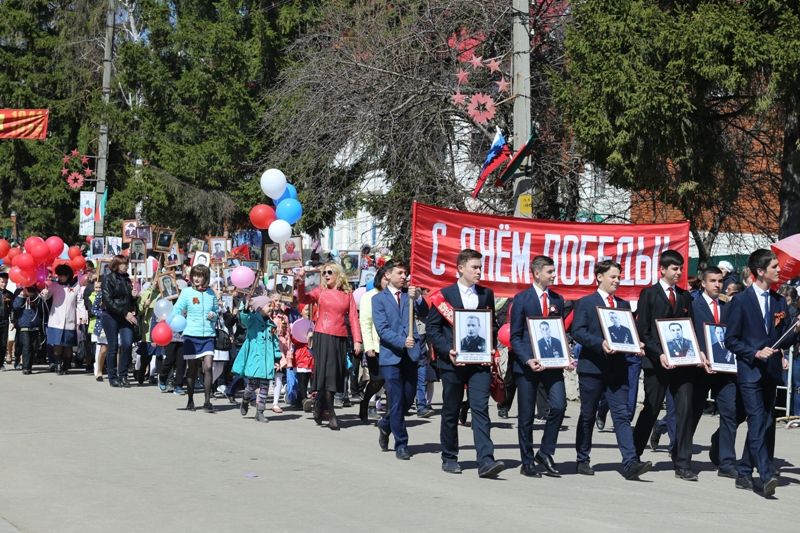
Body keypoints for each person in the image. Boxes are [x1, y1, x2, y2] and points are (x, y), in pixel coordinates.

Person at [426, 249, 505, 478]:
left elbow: (491, 325)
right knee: (450, 410)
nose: (479, 271)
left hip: (479, 363)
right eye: (475, 267)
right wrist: (446, 350)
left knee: (480, 409)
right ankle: (449, 457)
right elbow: (433, 329)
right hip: (452, 363)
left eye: (480, 267)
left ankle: (486, 460)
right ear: (460, 268)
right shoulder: (444, 295)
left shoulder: (486, 294)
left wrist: (490, 343)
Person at [570, 259, 651, 480]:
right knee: (588, 415)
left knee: (622, 416)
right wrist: (599, 343)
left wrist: (637, 345)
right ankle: (582, 458)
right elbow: (577, 331)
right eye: (613, 277)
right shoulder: (586, 303)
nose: (617, 281)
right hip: (592, 369)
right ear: (599, 277)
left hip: (618, 370)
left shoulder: (623, 306)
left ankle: (630, 462)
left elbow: (628, 333)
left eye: (618, 277)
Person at [725, 249, 796, 497]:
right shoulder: (741, 301)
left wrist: (796, 330)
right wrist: (754, 352)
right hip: (750, 371)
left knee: (764, 422)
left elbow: (784, 338)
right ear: (761, 271)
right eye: (774, 266)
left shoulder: (778, 301)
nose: (779, 270)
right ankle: (765, 474)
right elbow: (730, 340)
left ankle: (744, 471)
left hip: (771, 372)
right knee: (756, 419)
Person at [633, 250, 704, 482]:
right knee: (651, 408)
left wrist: (698, 350)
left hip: (683, 364)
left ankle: (682, 462)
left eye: (680, 268)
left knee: (684, 411)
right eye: (674, 269)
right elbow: (643, 329)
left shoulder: (685, 297)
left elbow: (690, 328)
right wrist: (659, 353)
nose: (678, 273)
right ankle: (633, 455)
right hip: (657, 363)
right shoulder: (649, 294)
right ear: (662, 269)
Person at [509, 255, 569, 478]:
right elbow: (515, 336)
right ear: (536, 273)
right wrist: (527, 358)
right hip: (527, 366)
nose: (554, 276)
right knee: (526, 416)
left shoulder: (557, 300)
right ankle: (527, 461)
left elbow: (560, 333)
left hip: (553, 365)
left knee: (559, 405)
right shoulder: (522, 299)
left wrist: (566, 356)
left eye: (554, 272)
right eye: (550, 272)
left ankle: (545, 452)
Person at [372, 260, 429, 460]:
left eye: (406, 273)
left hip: (411, 355)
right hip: (391, 356)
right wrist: (402, 341)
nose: (404, 276)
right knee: (395, 399)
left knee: (407, 398)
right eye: (400, 273)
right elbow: (382, 329)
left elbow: (425, 313)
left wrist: (419, 298)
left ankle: (386, 424)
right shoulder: (378, 299)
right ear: (388, 275)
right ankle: (402, 443)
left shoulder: (410, 296)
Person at [298, 262, 363, 430]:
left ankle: (319, 405)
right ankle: (331, 413)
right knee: (326, 373)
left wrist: (357, 340)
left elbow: (354, 319)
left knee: (336, 373)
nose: (326, 275)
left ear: (338, 275)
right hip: (323, 335)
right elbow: (304, 298)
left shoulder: (348, 294)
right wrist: (301, 282)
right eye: (324, 273)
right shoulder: (320, 291)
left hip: (340, 337)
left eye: (329, 272)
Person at [690, 266, 739, 480]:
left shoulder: (727, 307)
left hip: (724, 369)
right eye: (713, 281)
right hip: (700, 368)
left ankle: (726, 461)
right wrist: (699, 354)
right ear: (703, 283)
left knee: (729, 413)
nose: (717, 285)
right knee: (692, 412)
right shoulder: (693, 305)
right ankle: (680, 452)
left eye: (720, 281)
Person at [169, 264, 219, 412]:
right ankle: (190, 400)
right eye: (195, 275)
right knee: (192, 370)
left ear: (206, 278)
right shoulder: (186, 292)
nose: (197, 278)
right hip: (191, 335)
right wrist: (167, 320)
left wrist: (213, 315)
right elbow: (177, 309)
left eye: (200, 276)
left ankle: (207, 402)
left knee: (208, 367)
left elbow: (216, 311)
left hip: (208, 335)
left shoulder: (211, 293)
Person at [232, 296, 282, 423]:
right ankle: (245, 398)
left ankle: (260, 412)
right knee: (252, 384)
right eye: (269, 305)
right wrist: (245, 308)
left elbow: (275, 342)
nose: (272, 308)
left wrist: (277, 358)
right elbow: (244, 318)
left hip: (268, 361)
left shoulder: (272, 325)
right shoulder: (253, 319)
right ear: (259, 307)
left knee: (265, 385)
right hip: (255, 358)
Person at [101, 254, 139, 387]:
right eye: (123, 264)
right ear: (116, 265)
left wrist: (134, 297)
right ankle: (112, 377)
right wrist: (124, 312)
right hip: (111, 315)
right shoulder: (108, 279)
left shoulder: (127, 279)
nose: (125, 266)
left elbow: (128, 299)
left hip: (126, 315)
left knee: (128, 344)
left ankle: (123, 375)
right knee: (113, 346)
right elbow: (108, 300)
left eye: (126, 264)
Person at [358, 266, 388, 423]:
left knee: (391, 381)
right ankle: (365, 403)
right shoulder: (369, 296)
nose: (387, 282)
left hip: (393, 346)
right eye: (385, 278)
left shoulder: (395, 295)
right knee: (378, 380)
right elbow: (365, 322)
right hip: (375, 346)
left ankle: (390, 417)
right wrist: (368, 345)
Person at [42, 264, 80, 375]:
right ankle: (58, 364)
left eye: (63, 275)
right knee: (57, 344)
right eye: (59, 275)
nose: (60, 277)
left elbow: (80, 302)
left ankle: (66, 365)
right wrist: (44, 293)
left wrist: (81, 317)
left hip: (70, 321)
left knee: (68, 346)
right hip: (56, 321)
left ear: (68, 275)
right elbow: (46, 296)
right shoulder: (54, 285)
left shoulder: (75, 287)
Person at [12, 286, 45, 375]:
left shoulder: (37, 294)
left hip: (35, 325)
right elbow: (15, 306)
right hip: (24, 326)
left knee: (34, 347)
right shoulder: (20, 292)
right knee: (26, 346)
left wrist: (39, 296)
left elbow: (42, 309)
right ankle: (25, 367)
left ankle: (29, 365)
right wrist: (22, 295)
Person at [0, 273, 12, 371]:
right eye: (2, 282)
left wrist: (13, 320)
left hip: (4, 321)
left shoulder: (9, 294)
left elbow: (12, 309)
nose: (4, 284)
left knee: (3, 343)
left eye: (6, 282)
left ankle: (0, 363)